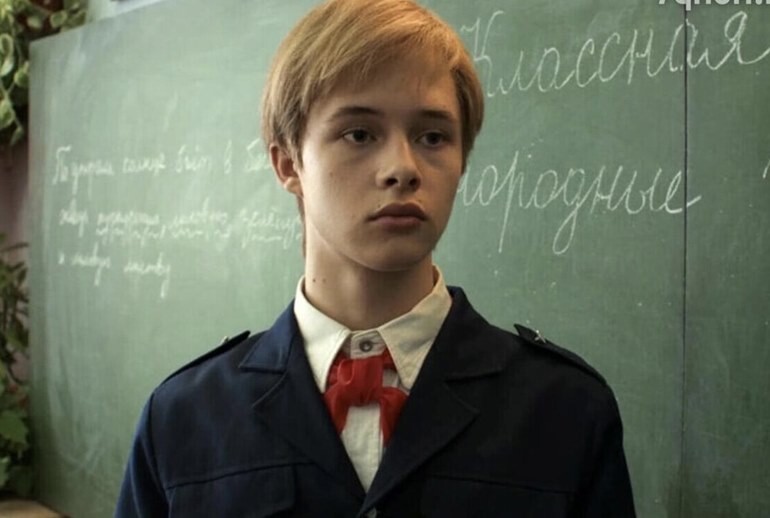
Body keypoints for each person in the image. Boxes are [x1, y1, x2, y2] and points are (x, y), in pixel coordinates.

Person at [116, 0, 636, 516]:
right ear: (289, 163)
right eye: (359, 134)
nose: (403, 168)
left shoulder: (564, 410)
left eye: (433, 137)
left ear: (462, 160)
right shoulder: (183, 420)